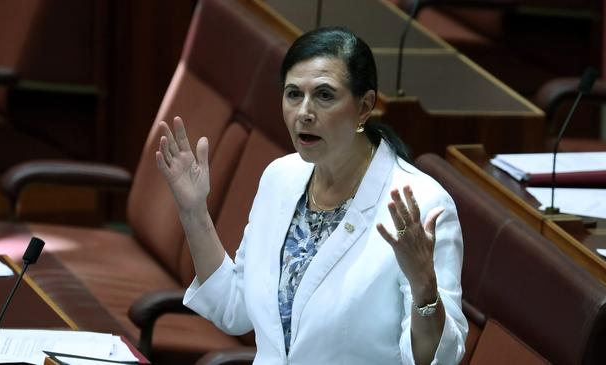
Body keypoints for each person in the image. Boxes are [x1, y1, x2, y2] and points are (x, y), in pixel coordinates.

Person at [156, 27, 467, 365]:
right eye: (293, 94)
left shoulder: (420, 205)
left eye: (324, 95)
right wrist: (194, 212)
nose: (304, 112)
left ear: (364, 107)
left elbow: (438, 361)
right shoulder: (280, 178)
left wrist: (424, 287)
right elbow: (234, 308)